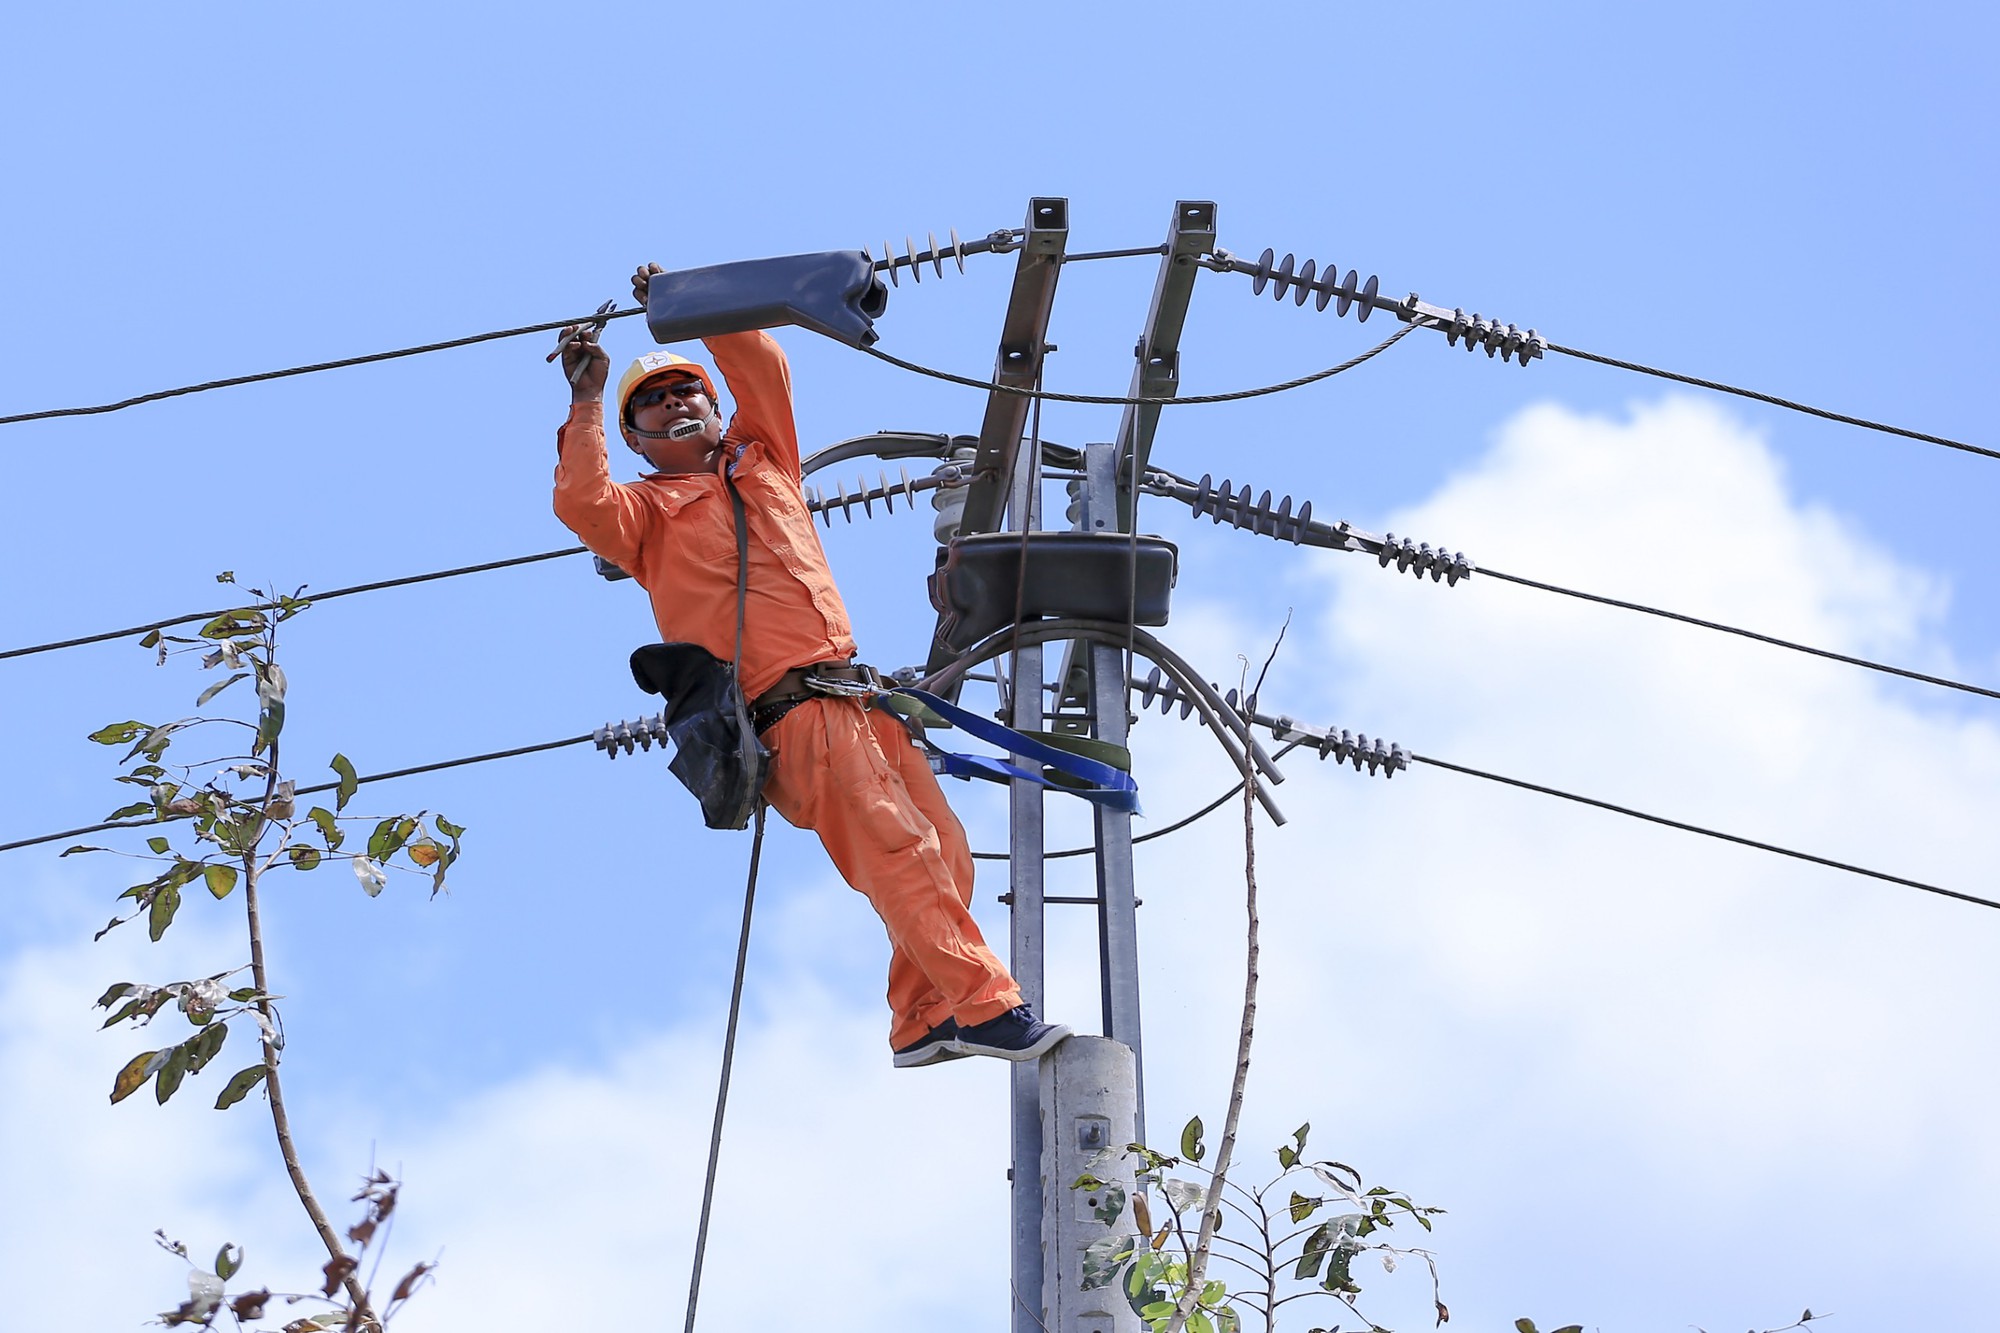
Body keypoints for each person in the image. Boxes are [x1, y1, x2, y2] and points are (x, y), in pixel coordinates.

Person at [550, 263, 1069, 1068]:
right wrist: (587, 399)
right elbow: (581, 501)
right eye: (652, 401)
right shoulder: (643, 517)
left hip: (854, 701)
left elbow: (764, 367)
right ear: (635, 439)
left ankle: (923, 1015)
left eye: (687, 389)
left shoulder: (766, 463)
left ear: (713, 406)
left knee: (946, 847)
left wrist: (691, 307)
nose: (675, 401)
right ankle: (987, 1005)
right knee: (901, 851)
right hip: (789, 715)